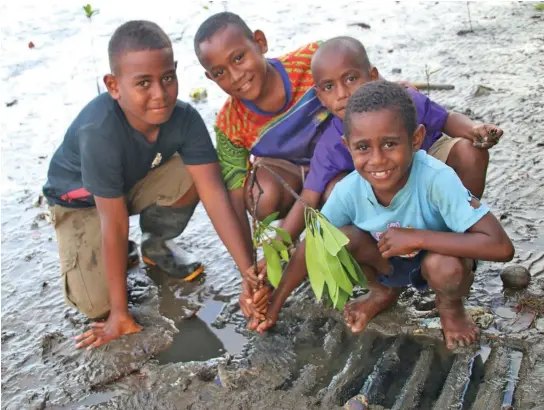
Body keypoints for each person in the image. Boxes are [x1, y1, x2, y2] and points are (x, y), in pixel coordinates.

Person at [42, 20, 254, 349]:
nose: (160, 93)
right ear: (114, 86)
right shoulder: (99, 132)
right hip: (81, 205)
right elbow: (113, 223)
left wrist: (249, 275)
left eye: (167, 78)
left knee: (196, 171)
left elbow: (215, 196)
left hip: (131, 184)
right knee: (98, 306)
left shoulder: (185, 119)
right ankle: (114, 260)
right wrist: (120, 315)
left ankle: (155, 245)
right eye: (143, 83)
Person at [256, 80, 514, 349]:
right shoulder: (348, 190)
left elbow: (501, 247)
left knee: (443, 267)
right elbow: (312, 242)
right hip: (387, 261)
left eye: (390, 144)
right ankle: (382, 291)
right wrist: (275, 302)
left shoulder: (437, 178)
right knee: (337, 238)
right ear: (348, 146)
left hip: (441, 258)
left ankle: (450, 307)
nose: (377, 160)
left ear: (416, 139)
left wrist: (419, 238)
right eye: (363, 147)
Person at [277, 36, 504, 245]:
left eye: (351, 79)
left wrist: (473, 130)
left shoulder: (402, 101)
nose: (342, 93)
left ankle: (460, 234)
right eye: (329, 87)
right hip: (387, 188)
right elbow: (309, 197)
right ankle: (381, 249)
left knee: (470, 151)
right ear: (320, 96)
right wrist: (279, 247)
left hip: (429, 168)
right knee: (333, 192)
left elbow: (446, 119)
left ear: (373, 76)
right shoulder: (330, 144)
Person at [193, 11, 331, 327]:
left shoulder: (314, 60)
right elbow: (234, 199)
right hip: (292, 175)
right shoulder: (230, 124)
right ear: (211, 79)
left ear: (260, 42)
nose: (235, 75)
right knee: (259, 195)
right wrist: (250, 274)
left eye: (239, 57)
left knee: (335, 189)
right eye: (220, 72)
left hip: (341, 164)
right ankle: (297, 231)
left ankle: (315, 231)